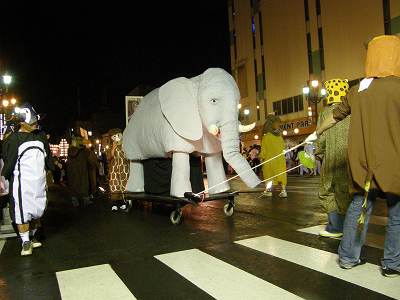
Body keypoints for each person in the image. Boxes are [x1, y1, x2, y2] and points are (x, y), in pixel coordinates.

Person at [306, 35, 400, 276]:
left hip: (363, 165)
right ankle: (392, 263)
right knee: (397, 214)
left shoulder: (358, 90)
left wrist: (316, 132)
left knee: (358, 209)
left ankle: (348, 257)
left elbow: (334, 116)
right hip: (395, 164)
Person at [1, 103, 54, 256]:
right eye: (33, 122)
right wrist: (6, 177)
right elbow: (8, 160)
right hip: (22, 183)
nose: (36, 125)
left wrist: (50, 172)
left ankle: (33, 235)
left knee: (38, 210)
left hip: (39, 182)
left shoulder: (41, 136)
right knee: (22, 211)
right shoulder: (14, 139)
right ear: (23, 122)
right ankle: (25, 241)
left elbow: (47, 158)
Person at [314, 78, 351, 238]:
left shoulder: (325, 113)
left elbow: (321, 138)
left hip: (331, 158)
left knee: (327, 191)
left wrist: (319, 152)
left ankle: (336, 226)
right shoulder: (351, 111)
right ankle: (348, 225)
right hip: (350, 158)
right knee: (346, 191)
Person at [260, 114, 287, 198]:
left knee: (269, 175)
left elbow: (264, 150)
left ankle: (268, 191)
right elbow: (283, 147)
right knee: (281, 175)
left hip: (270, 160)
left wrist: (261, 158)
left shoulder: (266, 137)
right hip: (280, 160)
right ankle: (283, 191)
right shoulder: (279, 137)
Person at [108, 129, 130, 212]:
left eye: (118, 135)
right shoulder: (112, 146)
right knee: (115, 185)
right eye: (114, 136)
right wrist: (113, 148)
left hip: (124, 167)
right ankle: (114, 203)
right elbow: (110, 157)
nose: (117, 137)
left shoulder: (124, 145)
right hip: (114, 168)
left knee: (124, 185)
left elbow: (127, 155)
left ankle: (124, 202)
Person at [66, 137, 92, 207]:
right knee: (84, 184)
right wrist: (86, 148)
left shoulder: (69, 151)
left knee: (73, 185)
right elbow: (89, 157)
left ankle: (75, 201)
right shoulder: (83, 151)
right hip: (82, 171)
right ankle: (86, 200)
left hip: (72, 173)